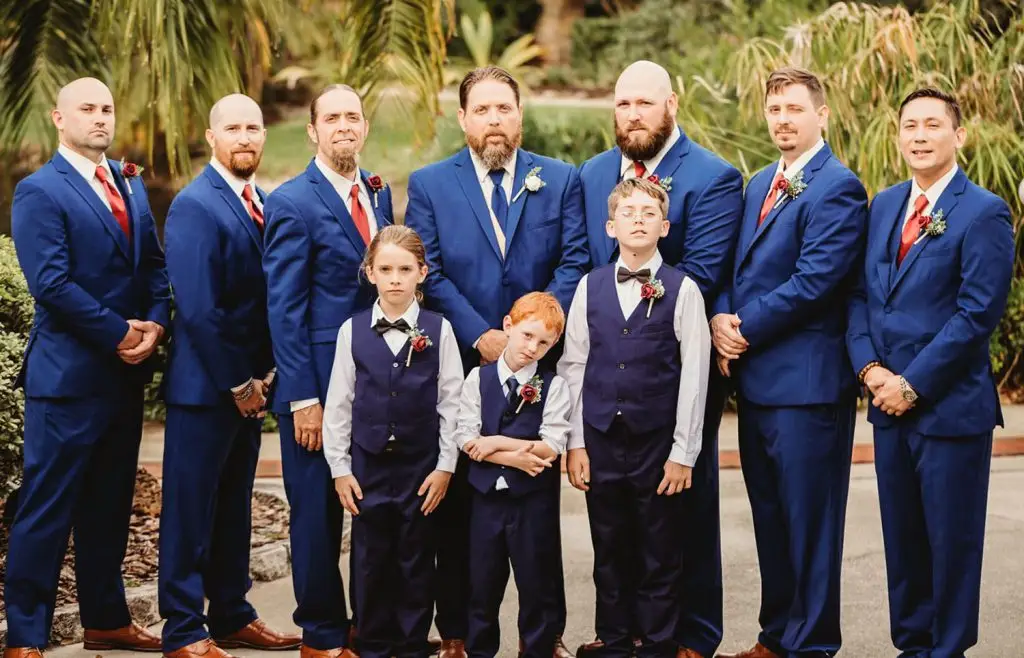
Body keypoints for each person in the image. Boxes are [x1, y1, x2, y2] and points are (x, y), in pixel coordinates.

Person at [404, 66, 587, 658]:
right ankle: (458, 631)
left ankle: (546, 635)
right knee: (463, 504)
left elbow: (573, 257)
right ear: (462, 119)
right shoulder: (431, 184)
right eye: (481, 110)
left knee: (537, 506)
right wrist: (482, 334)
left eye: (503, 109)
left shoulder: (558, 180)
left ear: (519, 114)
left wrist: (536, 333)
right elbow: (429, 268)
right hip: (466, 362)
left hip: (536, 363)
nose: (493, 121)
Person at [576, 60, 743, 658]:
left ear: (672, 103)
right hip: (605, 386)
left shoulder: (713, 176)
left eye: (646, 103)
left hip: (672, 377)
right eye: (624, 104)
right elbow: (581, 264)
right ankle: (622, 633)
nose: (634, 114)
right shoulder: (593, 174)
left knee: (679, 521)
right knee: (617, 528)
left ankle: (688, 636)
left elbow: (701, 270)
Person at [5, 77, 170, 657]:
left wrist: (153, 323)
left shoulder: (127, 184)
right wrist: (119, 331)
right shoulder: (39, 191)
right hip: (68, 380)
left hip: (124, 378)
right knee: (46, 507)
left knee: (108, 506)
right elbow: (50, 284)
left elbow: (152, 264)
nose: (100, 118)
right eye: (87, 109)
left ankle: (106, 619)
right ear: (58, 119)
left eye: (107, 108)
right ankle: (25, 635)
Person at [847, 87, 1014, 658]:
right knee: (905, 541)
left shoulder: (984, 211)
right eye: (909, 125)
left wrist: (911, 384)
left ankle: (946, 651)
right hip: (887, 405)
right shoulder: (885, 205)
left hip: (948, 408)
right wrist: (870, 370)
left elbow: (976, 315)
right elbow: (861, 297)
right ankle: (912, 645)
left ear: (958, 135)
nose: (919, 135)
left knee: (951, 541)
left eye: (932, 125)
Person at [710, 67, 867, 658]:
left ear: (821, 115)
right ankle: (776, 637)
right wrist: (720, 318)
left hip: (807, 389)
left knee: (811, 525)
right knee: (771, 522)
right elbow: (733, 269)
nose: (782, 119)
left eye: (794, 109)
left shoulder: (838, 187)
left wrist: (741, 329)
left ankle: (812, 644)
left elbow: (815, 282)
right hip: (757, 386)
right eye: (774, 109)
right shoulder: (758, 184)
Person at [158, 93, 300, 658]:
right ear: (212, 137)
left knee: (234, 506)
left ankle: (232, 614)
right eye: (233, 129)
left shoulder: (261, 201)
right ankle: (183, 629)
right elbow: (198, 307)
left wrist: (264, 375)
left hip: (250, 385)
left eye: (254, 128)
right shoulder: (196, 204)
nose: (245, 138)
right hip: (207, 389)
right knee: (191, 509)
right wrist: (239, 382)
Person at [263, 83, 394, 658]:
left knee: (368, 507)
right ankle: (319, 634)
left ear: (364, 128)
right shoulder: (292, 201)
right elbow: (284, 308)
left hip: (376, 384)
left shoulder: (377, 194)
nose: (345, 126)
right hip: (317, 384)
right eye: (333, 118)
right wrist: (301, 398)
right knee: (315, 514)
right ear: (313, 131)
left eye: (354, 117)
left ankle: (367, 625)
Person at [560, 178, 710, 658]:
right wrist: (575, 442)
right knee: (608, 545)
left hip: (656, 442)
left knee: (659, 548)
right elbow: (574, 365)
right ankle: (615, 638)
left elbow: (695, 376)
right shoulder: (590, 287)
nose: (639, 219)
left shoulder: (683, 290)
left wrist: (683, 453)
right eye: (629, 212)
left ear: (664, 226)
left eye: (649, 213)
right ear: (611, 226)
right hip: (601, 437)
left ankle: (658, 642)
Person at [323, 225, 463, 658]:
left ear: (423, 273)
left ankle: (411, 645)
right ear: (370, 273)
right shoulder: (353, 330)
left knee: (416, 558)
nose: (396, 278)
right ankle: (371, 642)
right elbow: (339, 403)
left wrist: (445, 467)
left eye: (405, 269)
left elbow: (452, 404)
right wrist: (340, 468)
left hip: (420, 468)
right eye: (386, 269)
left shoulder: (440, 331)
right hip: (367, 466)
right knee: (369, 559)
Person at [455, 292, 571, 658]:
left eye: (544, 343)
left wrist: (496, 444)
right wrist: (518, 457)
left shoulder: (555, 386)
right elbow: (466, 438)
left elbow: (552, 445)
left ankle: (535, 650)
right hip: (485, 502)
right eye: (527, 335)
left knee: (537, 586)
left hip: (532, 505)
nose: (532, 347)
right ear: (508, 325)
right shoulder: (478, 378)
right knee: (481, 587)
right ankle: (480, 650)